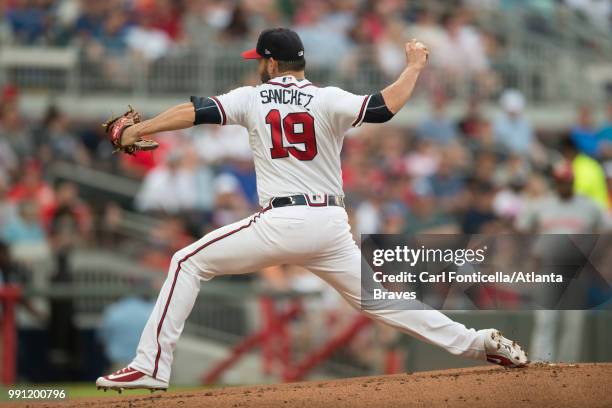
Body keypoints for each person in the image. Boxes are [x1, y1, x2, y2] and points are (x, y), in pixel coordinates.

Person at [96, 28, 527, 392]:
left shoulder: (253, 97)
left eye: (259, 59)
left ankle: (151, 365)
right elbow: (382, 108)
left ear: (269, 63)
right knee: (380, 301)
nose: (257, 66)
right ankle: (478, 342)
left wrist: (140, 127)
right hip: (330, 225)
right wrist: (413, 66)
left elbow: (196, 111)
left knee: (186, 261)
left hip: (283, 220)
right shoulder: (326, 98)